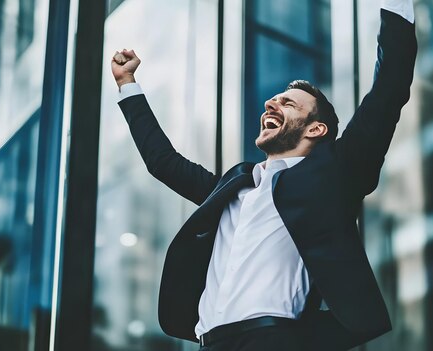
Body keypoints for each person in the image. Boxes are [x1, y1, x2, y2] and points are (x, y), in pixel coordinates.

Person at [111, 1, 416, 349]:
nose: (272, 104)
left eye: (288, 104)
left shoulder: (334, 177)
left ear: (316, 129)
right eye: (273, 100)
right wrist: (128, 84)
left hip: (272, 340)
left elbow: (388, 91)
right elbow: (161, 161)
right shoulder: (232, 188)